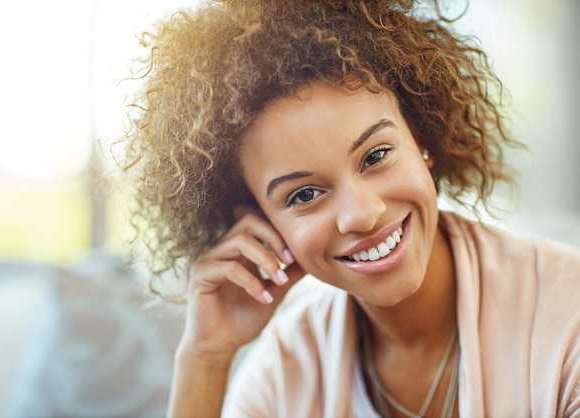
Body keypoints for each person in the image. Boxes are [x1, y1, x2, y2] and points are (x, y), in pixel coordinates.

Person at [120, 0, 580, 416]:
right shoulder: (286, 371)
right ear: (260, 222)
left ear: (420, 138)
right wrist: (205, 358)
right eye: (303, 195)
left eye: (376, 156)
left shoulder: (567, 315)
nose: (361, 214)